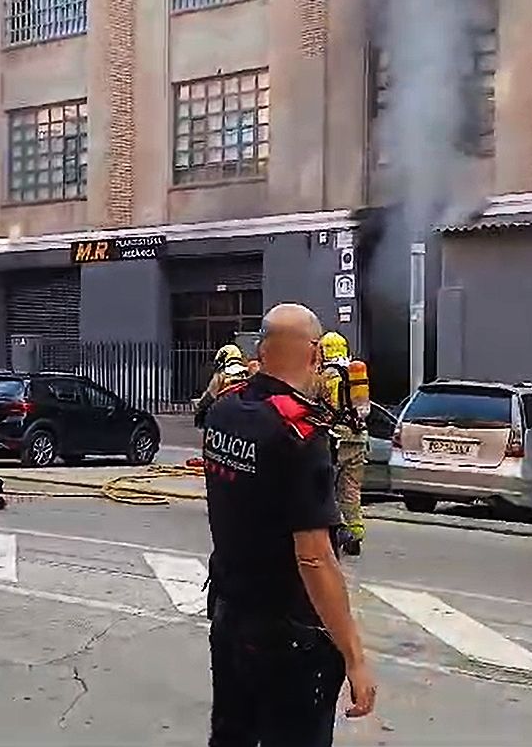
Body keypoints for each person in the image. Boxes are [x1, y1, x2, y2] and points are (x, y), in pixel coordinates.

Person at [202, 303, 377, 747]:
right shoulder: (300, 435)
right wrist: (354, 658)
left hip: (229, 616)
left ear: (261, 348)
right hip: (287, 636)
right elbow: (315, 557)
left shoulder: (225, 411)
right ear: (315, 354)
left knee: (232, 737)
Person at [315, 331, 369, 557]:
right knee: (351, 488)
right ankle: (356, 534)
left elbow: (313, 401)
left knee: (328, 487)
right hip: (359, 437)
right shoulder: (355, 373)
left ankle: (335, 532)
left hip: (336, 438)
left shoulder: (327, 376)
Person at [194, 344, 251, 429]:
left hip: (225, 413)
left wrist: (200, 409)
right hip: (247, 412)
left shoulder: (221, 375)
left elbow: (209, 396)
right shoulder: (248, 373)